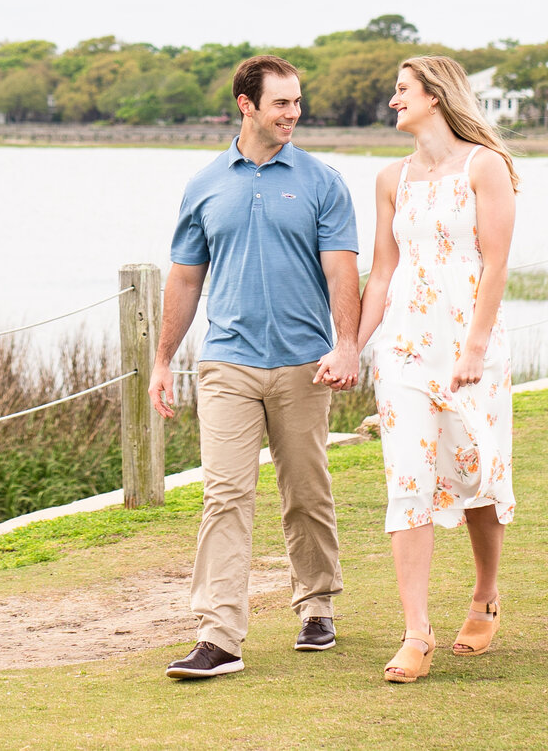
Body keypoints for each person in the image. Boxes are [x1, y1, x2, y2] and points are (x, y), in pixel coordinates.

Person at [151, 54, 361, 681]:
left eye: (297, 102)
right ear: (246, 104)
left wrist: (346, 343)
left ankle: (317, 603)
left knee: (305, 491)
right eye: (281, 103)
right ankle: (219, 636)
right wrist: (162, 359)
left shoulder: (323, 181)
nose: (293, 113)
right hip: (227, 365)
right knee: (224, 496)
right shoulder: (205, 184)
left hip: (304, 364)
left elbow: (341, 269)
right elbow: (187, 277)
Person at [349, 55, 518, 684]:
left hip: (472, 347)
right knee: (409, 479)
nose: (394, 101)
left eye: (402, 91)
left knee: (478, 469)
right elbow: (384, 271)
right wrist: (353, 345)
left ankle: (484, 596)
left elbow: (495, 263)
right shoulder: (391, 178)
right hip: (404, 350)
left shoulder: (485, 167)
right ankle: (416, 631)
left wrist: (475, 346)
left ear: (436, 97)